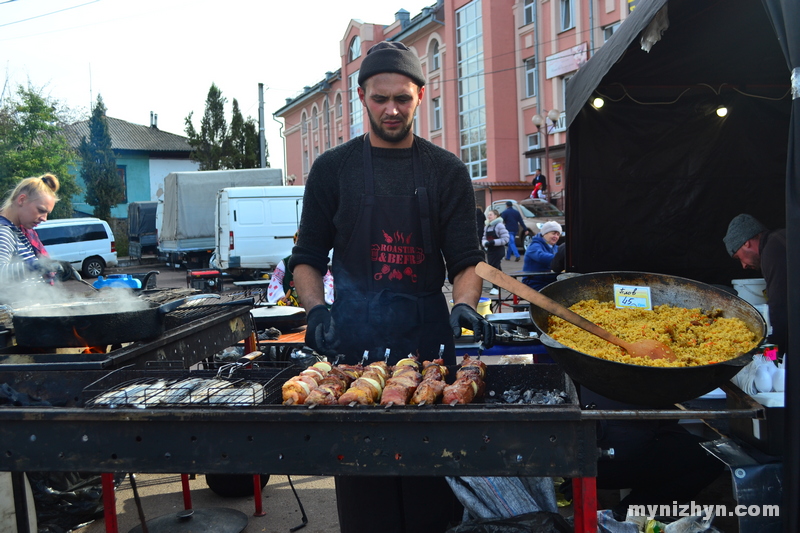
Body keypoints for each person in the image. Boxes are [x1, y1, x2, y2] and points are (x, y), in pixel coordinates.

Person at [288, 40, 494, 533]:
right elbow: (307, 259)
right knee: (365, 489)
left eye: (402, 98)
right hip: (353, 341)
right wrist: (317, 312)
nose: (392, 109)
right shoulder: (332, 169)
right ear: (362, 97)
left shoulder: (447, 170)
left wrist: (464, 304)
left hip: (428, 335)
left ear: (421, 95)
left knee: (431, 487)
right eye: (381, 99)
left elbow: (467, 260)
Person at [723, 213, 788, 352]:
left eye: (738, 257)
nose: (743, 266)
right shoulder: (781, 238)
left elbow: (779, 305)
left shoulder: (773, 249)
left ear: (745, 242)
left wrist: (774, 350)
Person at [0, 173, 68, 287]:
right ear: (22, 200)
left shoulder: (19, 232)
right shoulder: (4, 232)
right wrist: (39, 265)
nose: (44, 219)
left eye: (47, 213)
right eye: (41, 210)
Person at [267, 233, 334, 306]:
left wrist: (322, 295)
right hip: (289, 305)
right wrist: (281, 297)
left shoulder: (317, 260)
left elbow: (328, 280)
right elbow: (276, 280)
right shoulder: (284, 263)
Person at [521, 220, 561, 291]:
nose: (556, 236)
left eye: (558, 235)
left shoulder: (555, 247)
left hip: (548, 280)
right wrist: (561, 258)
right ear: (545, 233)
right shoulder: (534, 245)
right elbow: (540, 256)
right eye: (553, 233)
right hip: (533, 282)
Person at [482, 209, 509, 296]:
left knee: (493, 269)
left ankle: (495, 288)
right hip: (490, 251)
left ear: (496, 216)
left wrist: (494, 242)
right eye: (488, 215)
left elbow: (505, 239)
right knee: (497, 268)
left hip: (498, 250)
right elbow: (483, 238)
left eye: (491, 215)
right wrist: (485, 243)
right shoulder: (487, 226)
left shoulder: (499, 226)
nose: (489, 216)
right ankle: (504, 284)